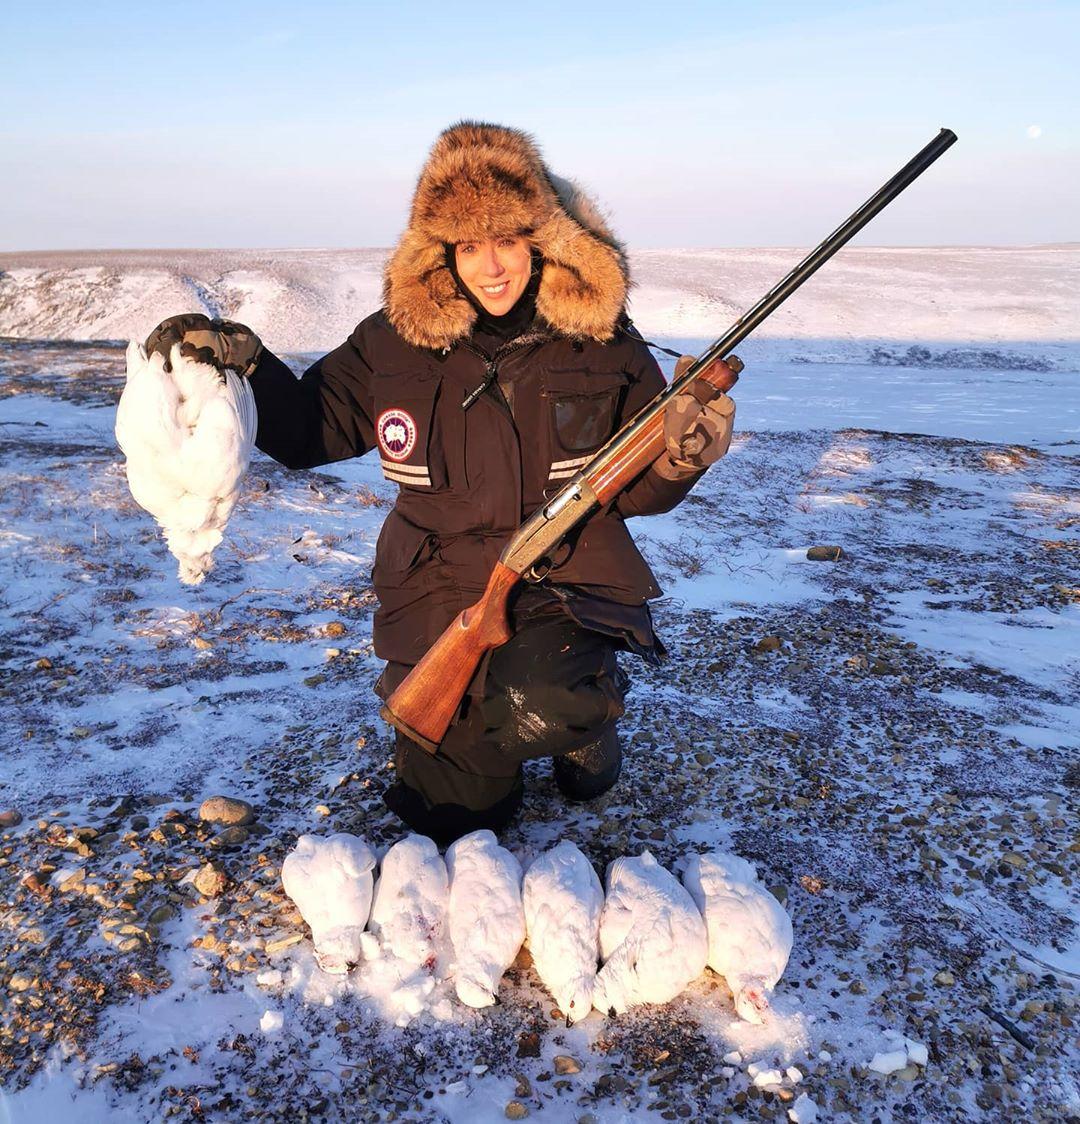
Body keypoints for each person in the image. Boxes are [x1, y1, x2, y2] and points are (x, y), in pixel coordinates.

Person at [144, 121, 736, 845]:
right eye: (468, 245)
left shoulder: (604, 341)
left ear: (543, 241)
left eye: (509, 240)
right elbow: (307, 430)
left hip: (564, 585)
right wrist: (245, 361)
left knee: (538, 700)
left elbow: (635, 492)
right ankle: (502, 744)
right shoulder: (390, 341)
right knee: (451, 821)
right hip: (435, 596)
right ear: (441, 252)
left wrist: (681, 455)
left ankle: (587, 723)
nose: (491, 267)